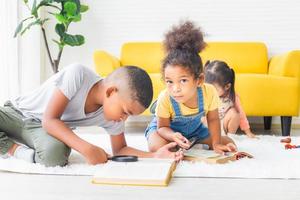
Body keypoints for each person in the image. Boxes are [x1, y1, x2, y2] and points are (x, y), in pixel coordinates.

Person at [0, 64, 183, 166]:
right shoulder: (78, 74)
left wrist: (155, 156)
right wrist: (87, 149)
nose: (124, 119)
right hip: (15, 113)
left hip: (39, 130)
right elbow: (50, 120)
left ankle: (14, 150)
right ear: (111, 92)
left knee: (55, 155)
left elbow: (120, 150)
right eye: (125, 112)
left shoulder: (112, 117)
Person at [145, 21, 237, 154]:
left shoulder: (209, 92)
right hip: (166, 131)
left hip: (195, 131)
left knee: (229, 143)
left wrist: (216, 143)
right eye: (169, 81)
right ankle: (180, 143)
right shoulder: (165, 97)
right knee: (156, 147)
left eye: (183, 80)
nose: (175, 88)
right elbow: (162, 127)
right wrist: (173, 136)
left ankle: (190, 142)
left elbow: (213, 119)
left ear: (199, 80)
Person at [204, 60, 256, 138]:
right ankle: (207, 137)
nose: (210, 92)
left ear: (227, 86)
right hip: (209, 127)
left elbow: (241, 115)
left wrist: (248, 132)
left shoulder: (232, 97)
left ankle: (230, 137)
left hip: (223, 127)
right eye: (208, 88)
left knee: (235, 113)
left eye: (214, 89)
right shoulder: (205, 94)